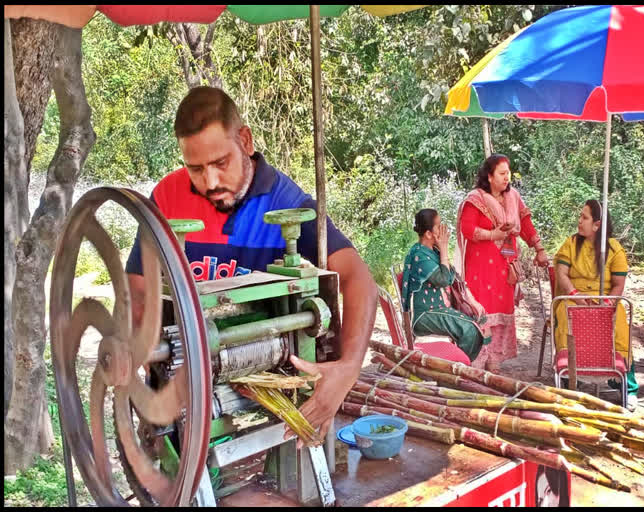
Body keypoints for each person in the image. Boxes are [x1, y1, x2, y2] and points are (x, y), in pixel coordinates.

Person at [124, 86, 378, 445]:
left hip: (265, 406)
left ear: (245, 140)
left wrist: (348, 367)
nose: (210, 182)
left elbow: (357, 277)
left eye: (220, 163)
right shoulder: (167, 197)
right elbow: (136, 287)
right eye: (195, 168)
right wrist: (151, 353)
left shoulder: (284, 201)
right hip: (185, 404)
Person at [456, 153, 549, 373]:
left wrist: (539, 248)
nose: (507, 178)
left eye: (508, 173)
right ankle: (479, 360)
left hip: (505, 267)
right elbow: (467, 229)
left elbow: (526, 225)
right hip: (481, 267)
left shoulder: (513, 197)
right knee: (482, 310)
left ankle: (495, 359)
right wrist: (493, 234)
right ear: (489, 176)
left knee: (501, 309)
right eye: (502, 173)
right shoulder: (475, 199)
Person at [553, 200, 638, 411]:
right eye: (580, 216)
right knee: (566, 318)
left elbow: (618, 285)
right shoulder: (571, 244)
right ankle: (568, 377)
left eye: (584, 217)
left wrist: (605, 304)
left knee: (619, 326)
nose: (579, 221)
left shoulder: (614, 249)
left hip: (606, 300)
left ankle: (627, 386)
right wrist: (576, 295)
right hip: (573, 297)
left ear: (597, 225)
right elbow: (561, 274)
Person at [401, 209, 491, 361]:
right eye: (439, 226)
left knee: (475, 321)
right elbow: (443, 279)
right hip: (424, 314)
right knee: (469, 329)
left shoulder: (432, 251)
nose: (444, 230)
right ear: (429, 234)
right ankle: (456, 368)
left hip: (438, 309)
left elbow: (453, 277)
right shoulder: (419, 255)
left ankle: (457, 365)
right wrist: (444, 248)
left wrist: (472, 301)